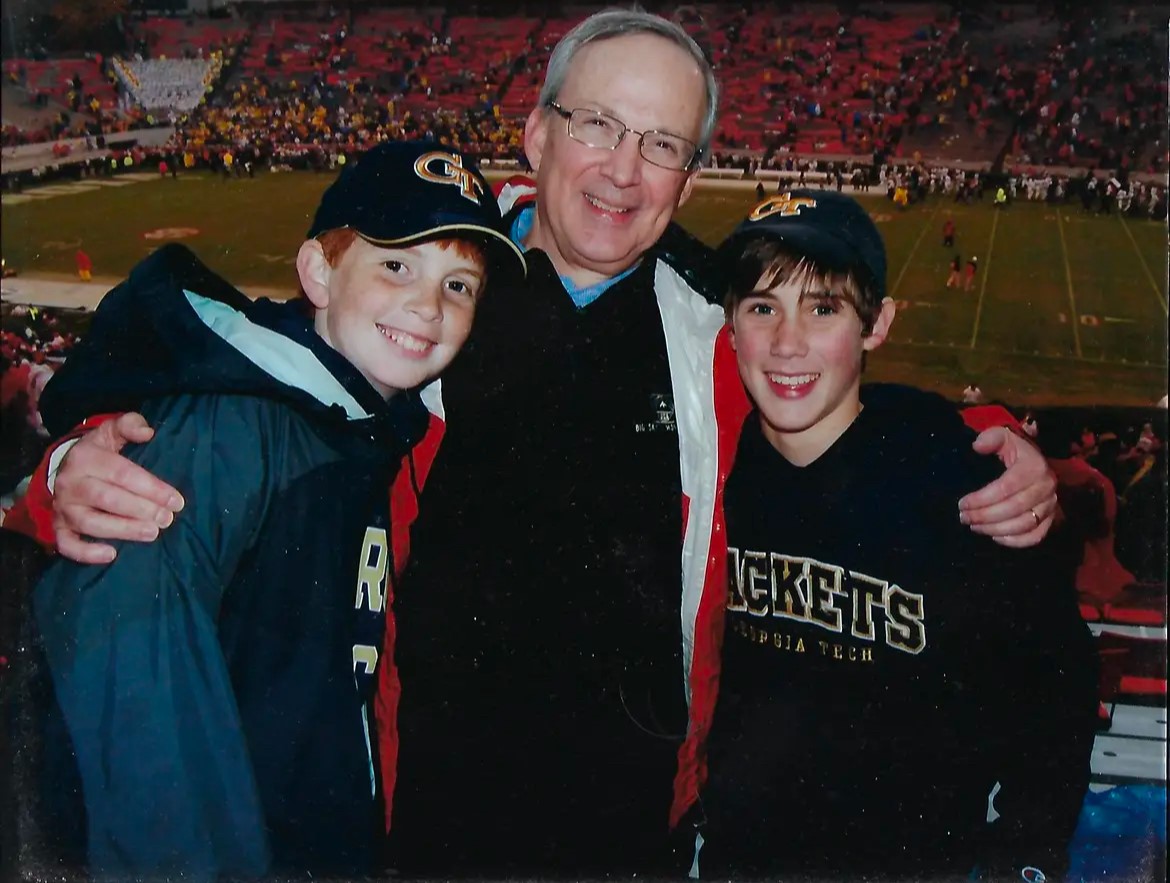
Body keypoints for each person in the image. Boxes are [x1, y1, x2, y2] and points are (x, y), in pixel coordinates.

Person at [5, 10, 1059, 878]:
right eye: (598, 124)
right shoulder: (431, 299)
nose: (623, 169)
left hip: (633, 835)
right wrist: (63, 473)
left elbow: (831, 386)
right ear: (536, 136)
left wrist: (985, 435)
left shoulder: (713, 331)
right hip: (419, 831)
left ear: (692, 176)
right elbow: (250, 366)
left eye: (662, 144)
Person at [27, 142, 525, 880]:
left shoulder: (380, 427)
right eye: (396, 264)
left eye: (460, 285)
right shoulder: (234, 425)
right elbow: (131, 675)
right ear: (319, 272)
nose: (429, 305)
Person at [697, 191, 1097, 880]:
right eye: (763, 307)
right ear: (730, 325)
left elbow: (1056, 673)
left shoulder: (958, 481)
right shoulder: (711, 471)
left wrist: (1027, 849)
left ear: (876, 325)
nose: (788, 342)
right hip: (742, 856)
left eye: (823, 308)